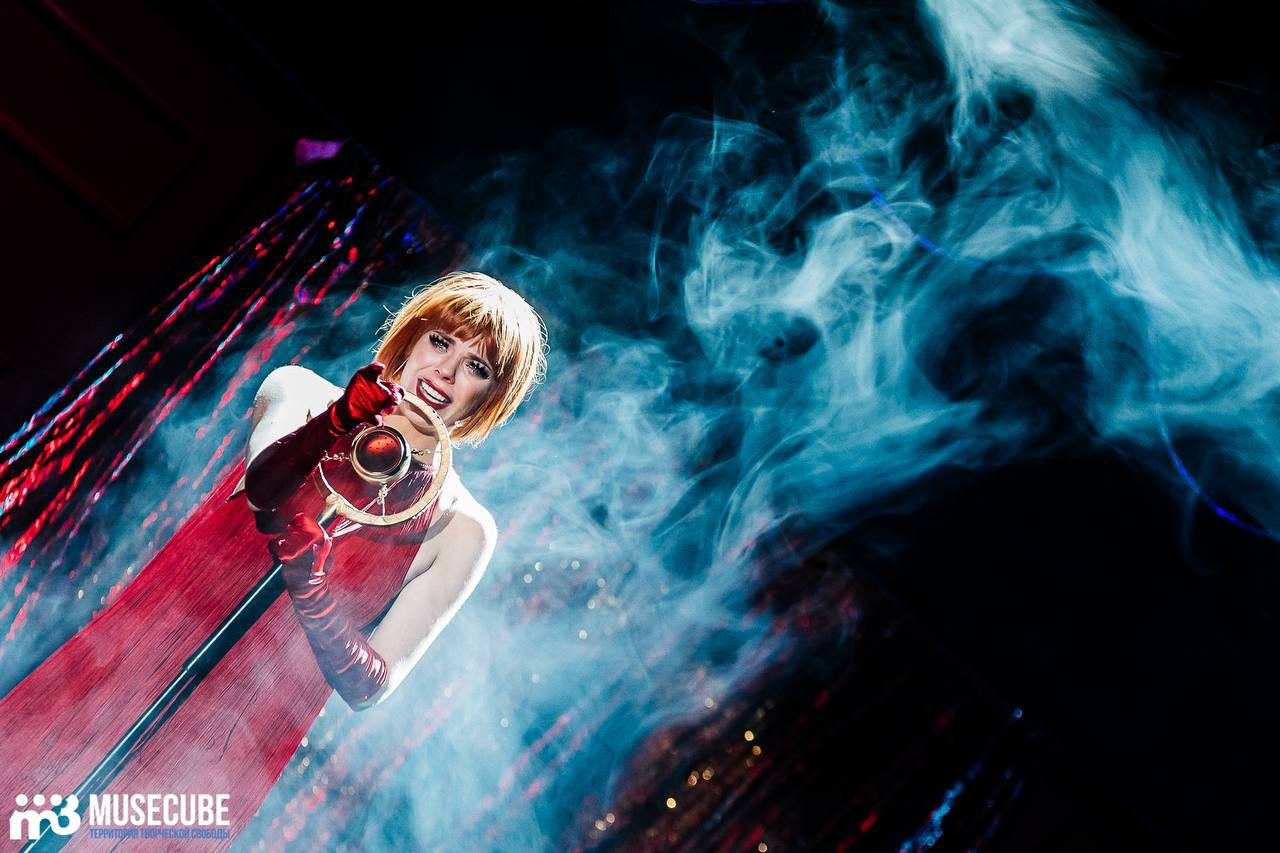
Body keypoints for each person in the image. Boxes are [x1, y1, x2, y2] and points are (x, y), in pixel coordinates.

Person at [0, 271, 547, 849]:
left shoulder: (462, 528)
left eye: (476, 367)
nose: (445, 371)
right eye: (440, 341)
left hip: (223, 752)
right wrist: (337, 423)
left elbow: (371, 686)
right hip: (118, 669)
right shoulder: (301, 391)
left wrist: (314, 595)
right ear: (411, 337)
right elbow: (266, 489)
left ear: (491, 398)